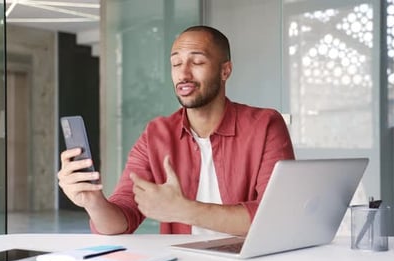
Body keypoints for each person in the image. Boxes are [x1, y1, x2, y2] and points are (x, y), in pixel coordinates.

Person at [57, 25, 295, 236]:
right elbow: (121, 221)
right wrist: (93, 201)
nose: (183, 74)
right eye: (176, 63)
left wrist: (185, 210)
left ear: (225, 71)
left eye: (198, 62)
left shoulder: (265, 125)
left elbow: (276, 216)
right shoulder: (156, 134)